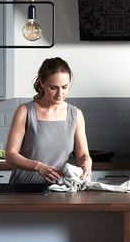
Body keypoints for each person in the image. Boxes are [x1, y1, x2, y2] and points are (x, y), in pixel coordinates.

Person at [6, 57, 92, 185]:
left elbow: (82, 154)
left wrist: (86, 163)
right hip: (24, 187)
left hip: (60, 187)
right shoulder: (25, 111)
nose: (60, 93)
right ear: (42, 83)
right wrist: (37, 166)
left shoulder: (76, 114)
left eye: (65, 87)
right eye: (54, 88)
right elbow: (10, 155)